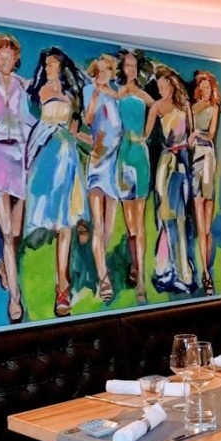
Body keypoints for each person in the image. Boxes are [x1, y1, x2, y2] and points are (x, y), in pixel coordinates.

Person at [24, 47, 88, 317]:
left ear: (61, 67)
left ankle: (63, 287)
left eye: (53, 64)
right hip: (46, 156)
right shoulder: (39, 91)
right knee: (44, 216)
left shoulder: (72, 95)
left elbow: (74, 128)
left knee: (65, 223)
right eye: (46, 64)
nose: (49, 67)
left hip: (67, 157)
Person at [0, 32, 34, 322]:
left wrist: (48, 128)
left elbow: (27, 117)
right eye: (0, 55)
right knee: (8, 234)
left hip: (20, 156)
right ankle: (15, 297)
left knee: (16, 233)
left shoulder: (22, 85)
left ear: (15, 59)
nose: (4, 60)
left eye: (9, 56)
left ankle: (3, 266)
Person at [115, 49, 156, 303]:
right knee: (130, 223)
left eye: (134, 66)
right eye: (127, 65)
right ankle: (135, 263)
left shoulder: (142, 95)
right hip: (123, 155)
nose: (131, 69)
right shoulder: (117, 93)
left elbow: (157, 108)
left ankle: (141, 279)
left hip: (139, 155)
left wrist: (146, 133)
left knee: (139, 222)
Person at [151, 64, 196, 294]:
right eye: (158, 86)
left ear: (170, 85)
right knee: (165, 216)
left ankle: (181, 272)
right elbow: (146, 134)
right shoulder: (157, 107)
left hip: (181, 162)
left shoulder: (184, 106)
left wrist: (192, 142)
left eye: (162, 86)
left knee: (179, 217)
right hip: (166, 162)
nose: (160, 90)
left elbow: (190, 137)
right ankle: (165, 269)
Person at [82, 54, 123, 304]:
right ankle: (103, 277)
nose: (103, 74)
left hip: (114, 163)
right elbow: (88, 120)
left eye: (107, 70)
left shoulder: (116, 93)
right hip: (98, 161)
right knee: (98, 225)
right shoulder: (90, 90)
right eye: (100, 70)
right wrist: (97, 96)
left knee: (109, 226)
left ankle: (100, 262)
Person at [189, 70, 221, 296]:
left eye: (208, 86)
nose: (205, 89)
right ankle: (206, 274)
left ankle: (207, 270)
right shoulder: (193, 108)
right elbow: (190, 135)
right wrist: (193, 138)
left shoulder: (214, 108)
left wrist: (196, 136)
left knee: (207, 228)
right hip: (197, 159)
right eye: (202, 86)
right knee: (201, 227)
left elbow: (210, 135)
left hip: (208, 157)